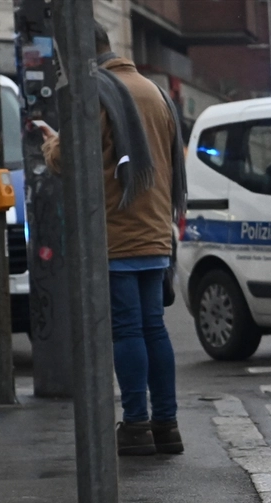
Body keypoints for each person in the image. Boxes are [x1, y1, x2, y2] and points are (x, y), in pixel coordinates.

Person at [41, 23, 186, 457]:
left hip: (116, 232)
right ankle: (168, 424)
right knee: (153, 329)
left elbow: (70, 159)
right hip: (156, 230)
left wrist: (51, 143)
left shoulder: (96, 93)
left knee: (126, 331)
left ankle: (137, 424)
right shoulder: (153, 90)